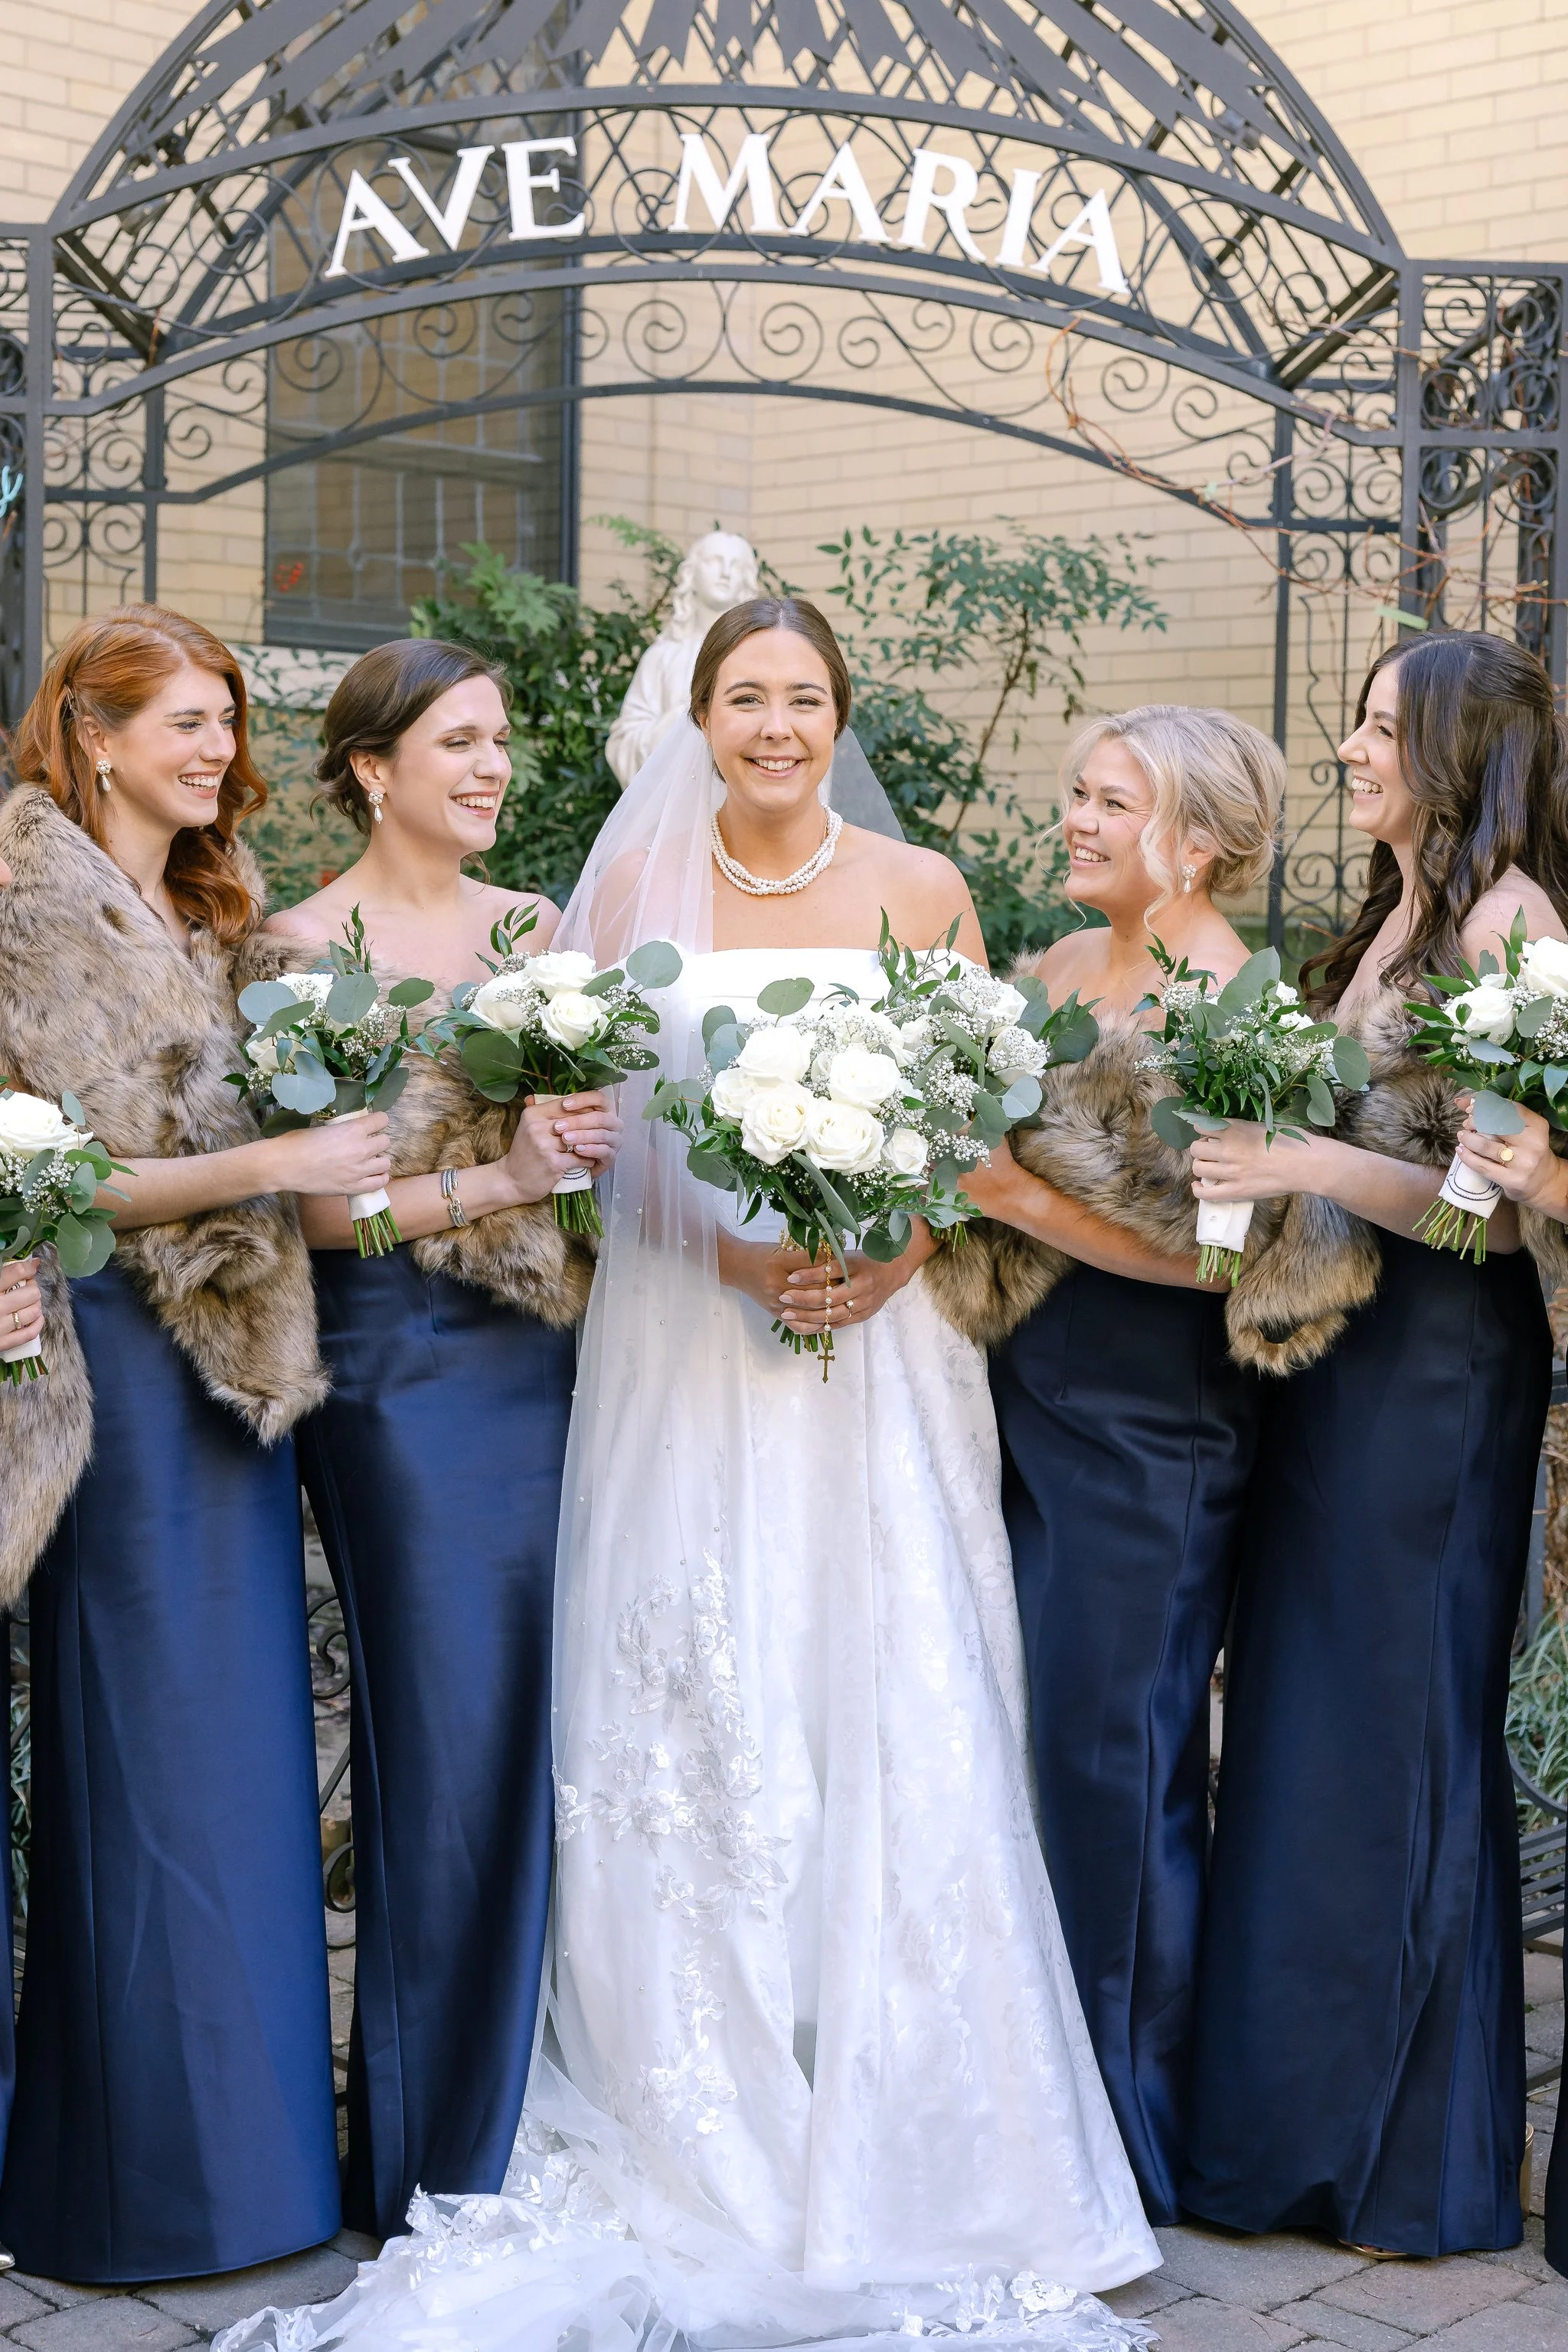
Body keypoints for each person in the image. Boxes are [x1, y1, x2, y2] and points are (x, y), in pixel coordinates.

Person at [219, 596, 1161, 2352]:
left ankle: (917, 2118)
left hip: (886, 1351)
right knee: (702, 1692)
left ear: (840, 714)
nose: (778, 726)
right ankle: (694, 2102)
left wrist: (891, 1248)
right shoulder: (624, 899)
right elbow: (592, 1142)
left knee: (892, 1686)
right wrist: (730, 1257)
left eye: (806, 697)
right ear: (700, 720)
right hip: (682, 1334)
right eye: (747, 698)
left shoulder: (926, 885)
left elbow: (975, 1125)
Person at [929, 706, 1374, 2224]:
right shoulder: (1047, 977)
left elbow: (1236, 1262)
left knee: (1115, 1773)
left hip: (1153, 1431)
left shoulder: (1235, 1002)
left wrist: (1010, 1196)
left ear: (1196, 837)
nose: (1075, 820)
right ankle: (1030, 2098)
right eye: (1075, 794)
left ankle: (1126, 2131)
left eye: (1109, 802)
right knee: (1025, 1750)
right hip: (1015, 1398)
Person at [0, 606, 394, 2281]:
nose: (220, 748)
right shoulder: (25, 906)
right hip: (112, 1376)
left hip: (240, 1367)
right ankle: (136, 2195)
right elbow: (53, 1173)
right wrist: (260, 1171)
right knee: (144, 1769)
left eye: (228, 720)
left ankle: (254, 2182)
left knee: (228, 1767)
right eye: (185, 721)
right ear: (91, 733)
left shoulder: (215, 912)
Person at [1180, 629, 1568, 2256]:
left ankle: (1412, 2164)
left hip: (1438, 1382)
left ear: (1455, 749)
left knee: (1398, 1734)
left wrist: (1306, 1167)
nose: (1347, 748)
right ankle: (1290, 2141)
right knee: (1308, 1732)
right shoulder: (1402, 912)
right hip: (1344, 1375)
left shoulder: (1510, 924)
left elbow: (1489, 1212)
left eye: (1374, 725)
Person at [255, 637, 621, 2236]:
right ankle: (427, 2144)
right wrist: (504, 1181)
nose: (489, 771)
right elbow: (321, 1210)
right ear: (368, 769)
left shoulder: (536, 933)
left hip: (552, 1362)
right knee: (450, 1736)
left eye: (500, 746)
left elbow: (594, 1161)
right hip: (395, 1374)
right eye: (457, 744)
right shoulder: (292, 942)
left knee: (551, 1730)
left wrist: (586, 1159)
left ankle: (535, 2106)